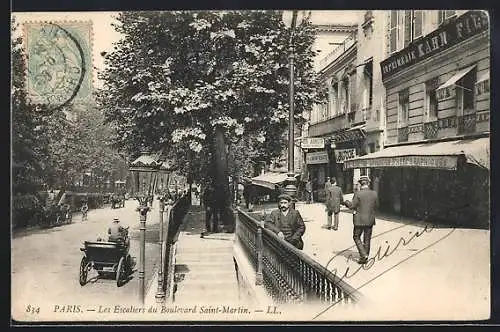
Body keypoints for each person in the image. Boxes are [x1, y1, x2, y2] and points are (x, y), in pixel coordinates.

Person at [345, 175, 379, 264]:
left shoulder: (358, 194)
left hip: (359, 220)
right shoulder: (374, 193)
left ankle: (363, 255)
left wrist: (346, 202)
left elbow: (352, 206)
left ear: (360, 184)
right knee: (367, 238)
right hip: (370, 220)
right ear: (368, 183)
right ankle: (365, 256)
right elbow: (377, 205)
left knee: (356, 237)